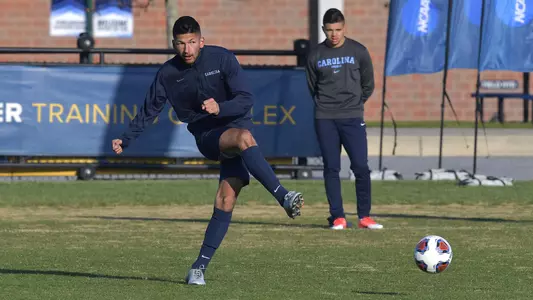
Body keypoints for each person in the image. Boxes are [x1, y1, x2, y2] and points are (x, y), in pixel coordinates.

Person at [111, 16, 304, 285]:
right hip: (207, 136)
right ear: (173, 44)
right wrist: (126, 138)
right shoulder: (167, 74)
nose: (187, 49)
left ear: (201, 41)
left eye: (192, 42)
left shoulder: (222, 59)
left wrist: (220, 108)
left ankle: (198, 268)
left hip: (235, 125)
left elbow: (246, 99)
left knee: (225, 199)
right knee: (244, 138)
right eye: (181, 43)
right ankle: (283, 196)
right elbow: (149, 110)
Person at [304, 8, 383, 230]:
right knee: (331, 168)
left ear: (344, 27)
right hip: (325, 118)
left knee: (361, 166)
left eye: (338, 30)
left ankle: (364, 216)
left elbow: (368, 84)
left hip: (352, 116)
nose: (334, 35)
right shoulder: (315, 55)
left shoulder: (359, 51)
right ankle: (337, 217)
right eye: (329, 30)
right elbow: (313, 87)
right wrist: (326, 106)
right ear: (323, 30)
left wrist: (355, 104)